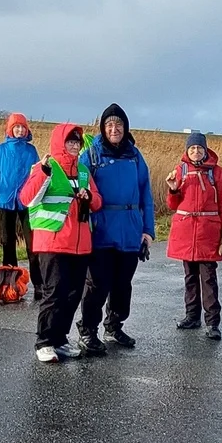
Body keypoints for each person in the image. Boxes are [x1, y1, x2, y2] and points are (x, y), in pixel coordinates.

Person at [19, 123, 103, 363]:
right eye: (70, 141)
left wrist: (90, 197)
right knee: (54, 292)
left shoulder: (84, 170)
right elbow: (27, 198)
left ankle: (60, 338)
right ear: (59, 142)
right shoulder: (46, 166)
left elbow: (98, 201)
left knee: (73, 294)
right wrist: (43, 172)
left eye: (77, 142)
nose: (75, 146)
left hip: (80, 242)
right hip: (53, 241)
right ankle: (44, 341)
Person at [76, 103, 155, 355]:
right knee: (97, 284)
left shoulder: (134, 155)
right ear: (102, 128)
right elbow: (79, 189)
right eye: (109, 125)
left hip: (130, 230)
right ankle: (88, 331)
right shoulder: (91, 155)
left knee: (123, 284)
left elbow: (146, 195)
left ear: (125, 127)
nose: (114, 129)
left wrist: (148, 230)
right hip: (101, 230)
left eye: (118, 125)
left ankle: (114, 325)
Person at [165, 132, 222, 341]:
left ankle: (213, 323)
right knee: (190, 277)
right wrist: (173, 190)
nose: (195, 152)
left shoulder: (217, 173)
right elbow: (172, 205)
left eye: (199, 148)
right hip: (186, 232)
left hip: (208, 232)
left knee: (208, 277)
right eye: (192, 148)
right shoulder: (180, 170)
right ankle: (192, 316)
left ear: (205, 150)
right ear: (187, 150)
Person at [0, 112, 43, 298]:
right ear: (10, 129)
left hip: (27, 202)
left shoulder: (31, 150)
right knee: (7, 242)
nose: (19, 130)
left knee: (32, 244)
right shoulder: (0, 149)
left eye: (22, 127)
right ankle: (10, 284)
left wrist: (33, 192)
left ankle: (39, 284)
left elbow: (37, 174)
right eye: (16, 127)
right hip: (5, 201)